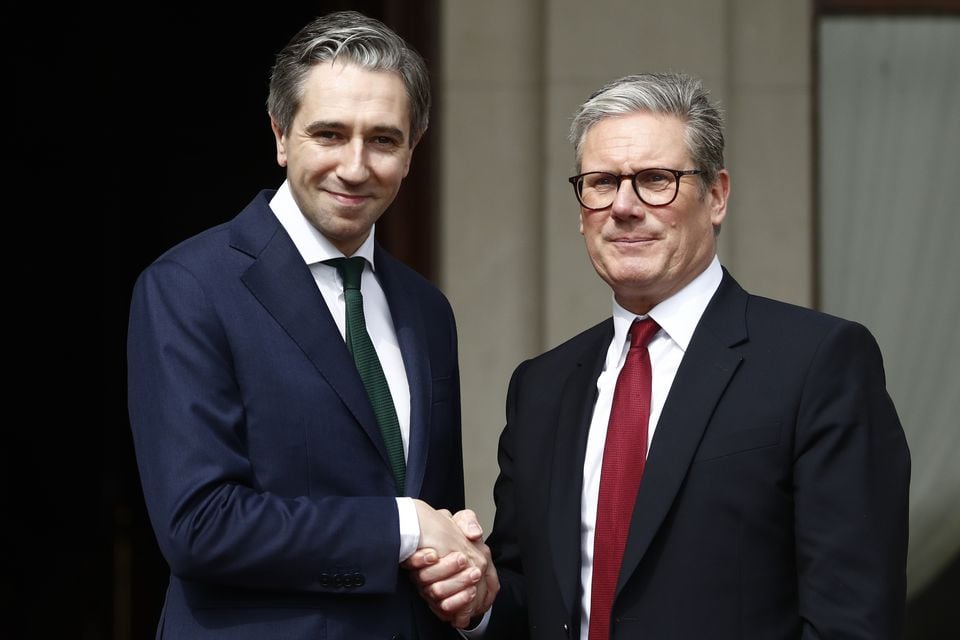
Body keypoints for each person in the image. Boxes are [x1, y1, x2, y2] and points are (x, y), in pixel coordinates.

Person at [411, 72, 910, 639]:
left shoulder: (819, 363)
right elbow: (533, 599)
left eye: (655, 180)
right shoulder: (542, 387)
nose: (624, 206)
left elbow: (852, 619)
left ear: (716, 196)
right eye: (601, 182)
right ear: (581, 210)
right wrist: (480, 602)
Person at [127, 11, 495, 639]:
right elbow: (199, 526)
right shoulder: (190, 287)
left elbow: (437, 523)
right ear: (279, 135)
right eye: (329, 134)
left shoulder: (427, 311)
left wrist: (469, 586)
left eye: (383, 140)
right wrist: (402, 525)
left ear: (413, 151)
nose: (355, 167)